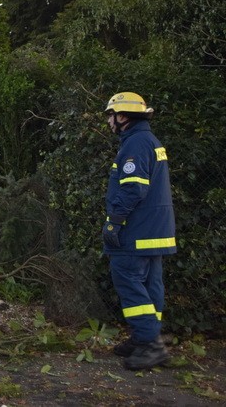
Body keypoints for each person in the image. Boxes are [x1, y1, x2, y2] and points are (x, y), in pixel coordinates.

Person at [102, 91, 177, 370]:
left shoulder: (135, 145)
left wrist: (114, 221)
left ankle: (150, 345)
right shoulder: (149, 141)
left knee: (129, 283)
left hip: (136, 231)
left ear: (123, 117)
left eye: (111, 115)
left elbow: (133, 188)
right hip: (154, 230)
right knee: (150, 286)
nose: (109, 121)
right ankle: (145, 338)